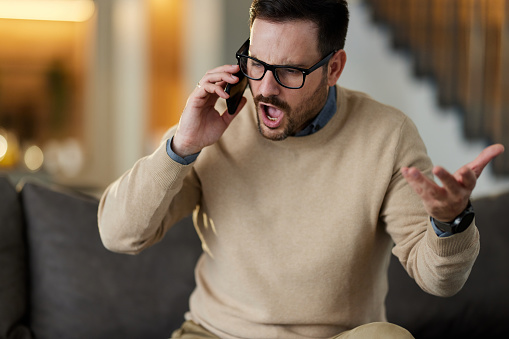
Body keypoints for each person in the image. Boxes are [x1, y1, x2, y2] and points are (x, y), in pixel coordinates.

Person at [98, 1, 504, 338]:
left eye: (290, 71)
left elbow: (439, 280)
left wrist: (451, 223)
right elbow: (119, 235)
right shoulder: (216, 122)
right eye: (256, 63)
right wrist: (179, 148)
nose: (266, 90)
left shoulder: (388, 135)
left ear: (334, 68)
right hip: (217, 334)